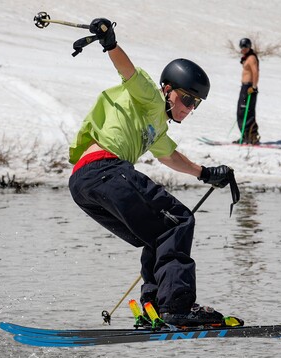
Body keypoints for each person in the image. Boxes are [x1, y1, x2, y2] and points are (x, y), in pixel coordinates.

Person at [67, 18, 237, 327]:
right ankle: (178, 306)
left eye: (196, 104)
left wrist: (205, 173)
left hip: (83, 183)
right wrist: (110, 43)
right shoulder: (150, 97)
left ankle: (154, 307)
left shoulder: (156, 127)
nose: (189, 108)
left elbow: (169, 156)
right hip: (104, 169)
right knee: (180, 221)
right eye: (187, 98)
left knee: (157, 234)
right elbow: (127, 71)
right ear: (168, 89)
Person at [237, 37, 260, 145]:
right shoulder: (246, 57)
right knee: (242, 112)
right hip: (245, 87)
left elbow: (255, 72)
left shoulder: (251, 58)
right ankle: (245, 136)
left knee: (246, 112)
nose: (243, 49)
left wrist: (254, 87)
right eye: (242, 47)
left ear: (249, 46)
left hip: (249, 88)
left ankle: (251, 136)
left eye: (245, 46)